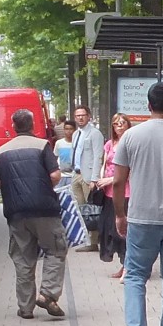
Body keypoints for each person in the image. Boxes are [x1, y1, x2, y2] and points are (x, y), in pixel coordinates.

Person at [112, 82, 163, 326]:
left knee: (136, 277)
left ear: (148, 107)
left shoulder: (130, 137)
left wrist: (119, 214)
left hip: (141, 218)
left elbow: (117, 181)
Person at [0, 108, 68, 319]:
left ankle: (25, 308)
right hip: (45, 209)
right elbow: (55, 175)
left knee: (23, 258)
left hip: (16, 213)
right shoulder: (43, 146)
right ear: (33, 125)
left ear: (13, 125)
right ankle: (48, 294)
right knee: (55, 250)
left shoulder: (3, 151)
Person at [94, 113, 133, 279]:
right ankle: (123, 264)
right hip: (109, 193)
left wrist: (110, 179)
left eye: (123, 123)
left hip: (126, 191)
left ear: (128, 125)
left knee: (123, 231)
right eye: (116, 124)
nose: (119, 126)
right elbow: (105, 163)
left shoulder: (131, 144)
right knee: (109, 229)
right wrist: (99, 179)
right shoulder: (109, 144)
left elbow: (131, 170)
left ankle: (128, 267)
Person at [69, 104, 105, 251]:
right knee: (79, 209)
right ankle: (85, 239)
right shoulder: (75, 134)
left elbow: (98, 156)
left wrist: (94, 178)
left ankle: (94, 242)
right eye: (77, 115)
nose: (80, 118)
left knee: (91, 210)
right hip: (76, 174)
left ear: (89, 116)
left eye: (83, 115)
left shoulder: (95, 133)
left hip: (88, 176)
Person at [53, 119, 76, 185]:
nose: (68, 131)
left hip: (74, 176)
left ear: (75, 130)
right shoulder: (59, 143)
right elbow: (55, 157)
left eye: (71, 129)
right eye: (66, 129)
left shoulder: (77, 143)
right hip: (62, 176)